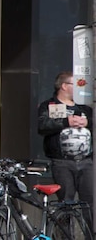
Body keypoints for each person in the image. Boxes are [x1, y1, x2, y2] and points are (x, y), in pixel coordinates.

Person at [37, 71, 93, 222]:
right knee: (66, 202)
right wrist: (65, 122)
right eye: (75, 84)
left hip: (86, 162)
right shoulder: (49, 105)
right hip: (62, 162)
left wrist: (88, 123)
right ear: (64, 86)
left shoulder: (85, 109)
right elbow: (42, 126)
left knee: (90, 203)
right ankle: (66, 235)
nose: (79, 87)